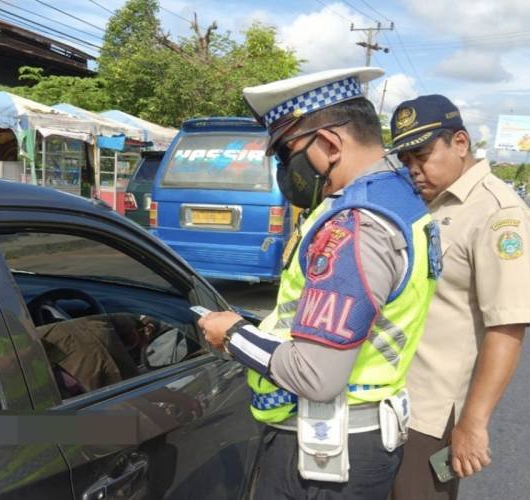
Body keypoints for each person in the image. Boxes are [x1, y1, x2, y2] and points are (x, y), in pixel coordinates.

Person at [197, 67, 441, 499]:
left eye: (288, 153)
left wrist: (233, 335)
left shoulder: (357, 223)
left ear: (329, 144)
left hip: (327, 460)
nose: (285, 169)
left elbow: (315, 375)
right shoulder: (400, 199)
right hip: (354, 442)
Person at [388, 95, 530, 500]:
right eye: (406, 160)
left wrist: (472, 423)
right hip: (392, 398)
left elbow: (507, 326)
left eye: (423, 155)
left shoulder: (498, 213)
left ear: (461, 144)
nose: (414, 170)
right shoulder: (425, 203)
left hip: (432, 416)